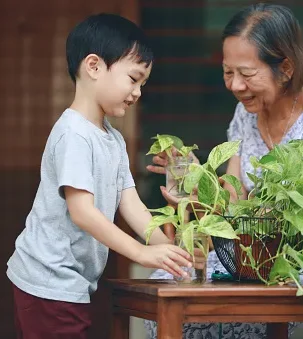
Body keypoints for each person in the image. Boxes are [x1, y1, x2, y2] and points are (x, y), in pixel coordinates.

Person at [145, 3, 303, 338]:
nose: (235, 85)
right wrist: (199, 179)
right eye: (227, 72)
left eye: (247, 74)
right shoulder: (245, 116)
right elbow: (235, 203)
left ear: (286, 67)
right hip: (251, 254)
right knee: (168, 280)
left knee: (217, 312)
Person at [6, 13, 194, 339]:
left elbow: (131, 205)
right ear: (94, 67)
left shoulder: (112, 138)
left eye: (143, 84)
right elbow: (83, 212)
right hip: (46, 281)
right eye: (133, 79)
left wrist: (172, 254)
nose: (137, 92)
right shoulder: (73, 133)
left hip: (69, 283)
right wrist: (140, 253)